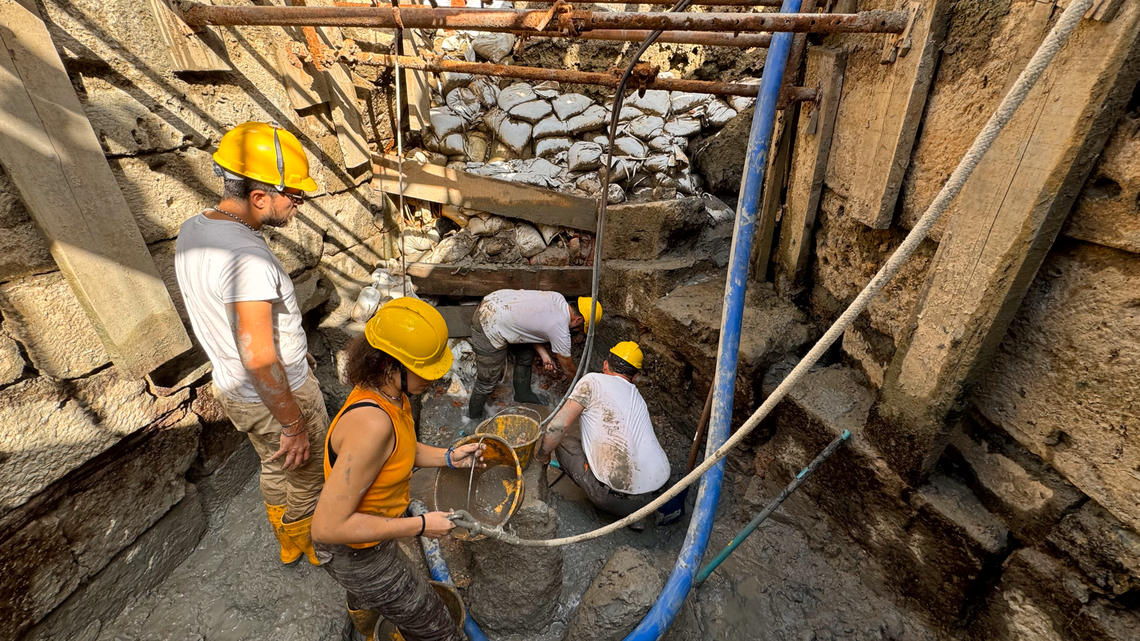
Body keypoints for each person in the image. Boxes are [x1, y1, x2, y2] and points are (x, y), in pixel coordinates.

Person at [174, 121, 328, 565]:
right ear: (260, 197)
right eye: (294, 197)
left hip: (236, 392)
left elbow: (243, 325)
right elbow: (260, 358)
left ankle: (285, 537)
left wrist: (296, 349)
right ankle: (309, 540)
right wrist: (295, 423)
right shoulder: (249, 259)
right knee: (307, 471)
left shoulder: (195, 229)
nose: (297, 206)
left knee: (275, 464)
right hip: (275, 396)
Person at [311, 298, 483, 641]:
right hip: (357, 552)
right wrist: (420, 525)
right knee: (433, 622)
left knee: (375, 598)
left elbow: (401, 449)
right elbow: (327, 528)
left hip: (370, 532)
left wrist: (449, 457)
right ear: (391, 365)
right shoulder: (371, 425)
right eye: (427, 370)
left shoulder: (389, 395)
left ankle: (365, 619)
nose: (436, 378)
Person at [534, 342, 670, 519]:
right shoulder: (638, 398)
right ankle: (638, 518)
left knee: (563, 443)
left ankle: (618, 512)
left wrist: (542, 455)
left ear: (605, 364)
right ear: (635, 376)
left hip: (614, 498)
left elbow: (557, 427)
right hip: (659, 496)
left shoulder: (592, 381)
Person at [467, 289, 602, 420]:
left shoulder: (557, 298)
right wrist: (583, 391)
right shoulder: (560, 329)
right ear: (578, 319)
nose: (577, 331)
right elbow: (568, 368)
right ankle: (473, 417)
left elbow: (529, 326)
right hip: (489, 323)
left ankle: (522, 394)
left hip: (495, 301)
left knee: (526, 353)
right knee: (488, 379)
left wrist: (545, 356)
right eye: (580, 327)